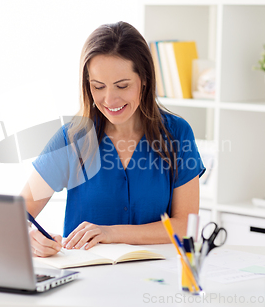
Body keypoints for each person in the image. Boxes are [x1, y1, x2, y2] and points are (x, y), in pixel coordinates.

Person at [22, 21, 205, 257]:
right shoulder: (71, 139)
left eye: (122, 86)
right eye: (98, 87)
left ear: (145, 79)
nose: (109, 99)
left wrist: (111, 233)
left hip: (156, 278)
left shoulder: (177, 135)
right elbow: (19, 213)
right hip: (86, 283)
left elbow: (185, 228)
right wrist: (28, 236)